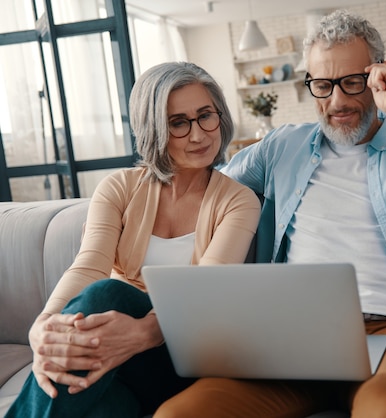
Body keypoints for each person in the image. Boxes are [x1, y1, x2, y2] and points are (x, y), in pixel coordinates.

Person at [155, 9, 386, 418]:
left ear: (378, 76)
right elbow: (208, 187)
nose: (337, 101)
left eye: (352, 82)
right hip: (294, 338)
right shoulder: (283, 147)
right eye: (322, 84)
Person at [6, 62, 261, 418]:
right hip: (115, 362)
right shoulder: (120, 187)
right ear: (153, 128)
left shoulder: (238, 200)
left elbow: (207, 287)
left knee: (108, 294)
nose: (199, 134)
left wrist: (146, 332)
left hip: (185, 356)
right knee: (96, 407)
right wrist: (43, 326)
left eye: (206, 115)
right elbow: (89, 264)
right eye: (178, 123)